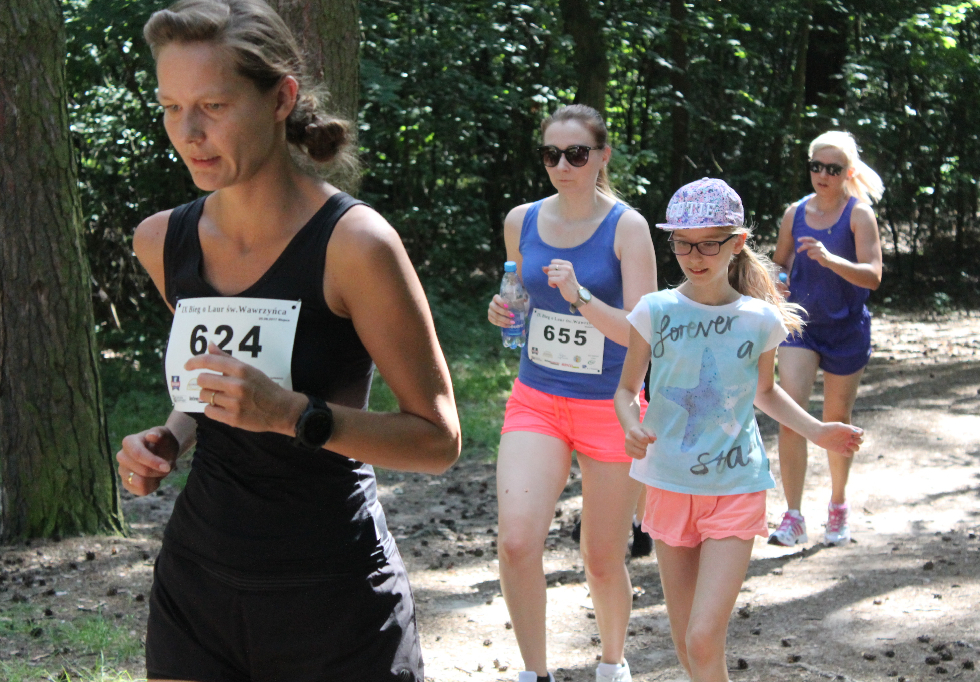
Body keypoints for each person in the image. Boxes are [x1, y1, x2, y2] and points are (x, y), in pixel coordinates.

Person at [115, 1, 460, 680]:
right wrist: (170, 437)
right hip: (198, 588)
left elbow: (438, 440)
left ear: (281, 98)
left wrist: (292, 416)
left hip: (333, 592)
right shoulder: (161, 242)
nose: (189, 132)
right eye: (170, 106)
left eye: (213, 104)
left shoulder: (355, 244)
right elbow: (218, 389)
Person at [614, 177, 864, 682]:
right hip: (667, 482)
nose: (694, 255)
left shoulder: (759, 319)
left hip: (735, 487)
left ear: (738, 243)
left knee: (705, 637)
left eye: (709, 242)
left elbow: (765, 392)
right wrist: (630, 425)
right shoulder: (654, 310)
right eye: (682, 243)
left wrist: (817, 431)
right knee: (688, 645)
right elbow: (624, 390)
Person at [487, 104, 657, 682]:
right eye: (551, 154)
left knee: (604, 559)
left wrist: (581, 296)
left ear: (603, 157)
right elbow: (521, 302)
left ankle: (612, 665)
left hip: (610, 406)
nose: (563, 165)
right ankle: (535, 673)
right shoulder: (521, 220)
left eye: (577, 154)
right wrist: (506, 313)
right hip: (537, 398)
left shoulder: (627, 227)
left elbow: (643, 334)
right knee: (515, 542)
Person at [768, 131, 884, 547]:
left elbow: (873, 275)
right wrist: (778, 282)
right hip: (801, 327)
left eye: (832, 169)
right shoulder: (794, 213)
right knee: (791, 412)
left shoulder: (859, 215)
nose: (822, 174)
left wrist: (831, 259)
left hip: (847, 329)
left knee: (837, 418)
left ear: (847, 173)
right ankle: (793, 514)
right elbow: (778, 264)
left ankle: (837, 507)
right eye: (816, 166)